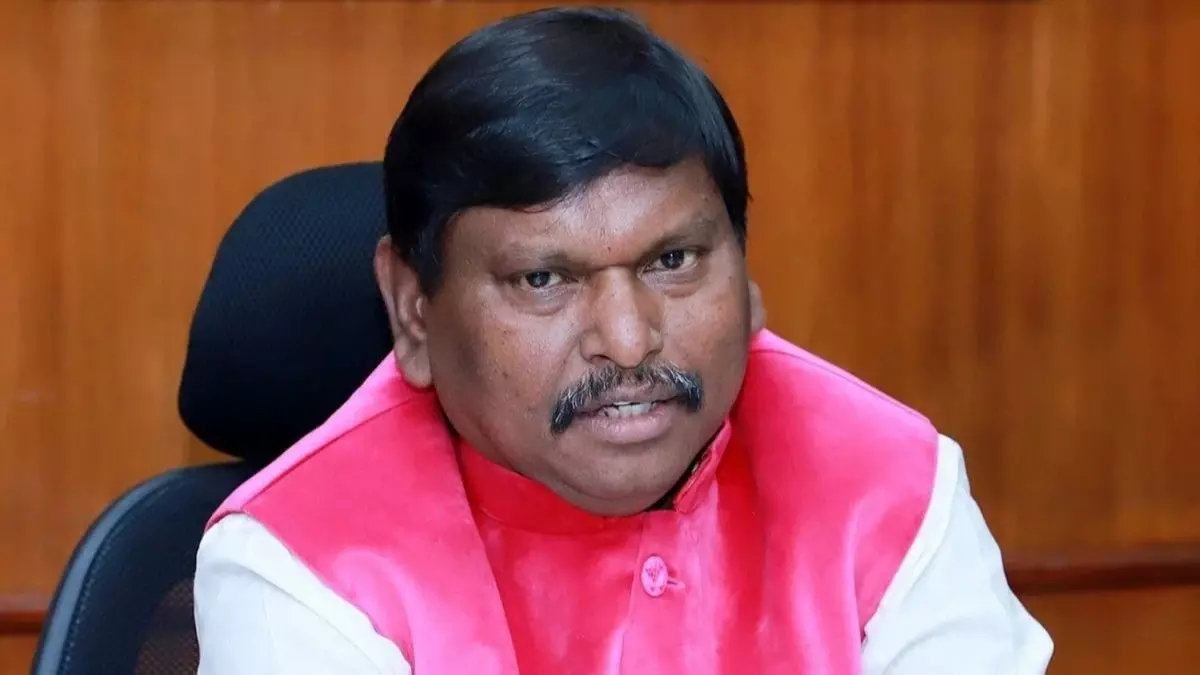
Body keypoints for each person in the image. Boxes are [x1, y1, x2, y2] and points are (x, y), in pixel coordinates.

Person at [193, 6, 1052, 674]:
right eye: (544, 279)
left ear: (746, 270)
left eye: (673, 261)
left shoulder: (891, 485)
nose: (631, 341)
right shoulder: (303, 563)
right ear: (414, 306)